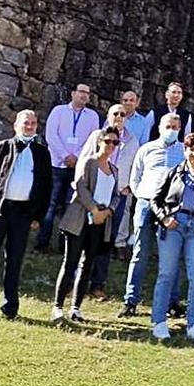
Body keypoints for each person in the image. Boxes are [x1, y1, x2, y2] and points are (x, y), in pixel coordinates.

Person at [0, 110, 52, 318]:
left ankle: (10, 306)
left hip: (23, 213)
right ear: (16, 125)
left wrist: (38, 216)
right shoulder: (0, 148)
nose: (29, 126)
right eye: (25, 123)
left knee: (15, 260)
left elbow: (46, 187)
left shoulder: (42, 153)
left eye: (33, 123)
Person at [149, 133, 194, 343]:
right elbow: (156, 200)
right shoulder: (174, 172)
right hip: (174, 224)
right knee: (167, 273)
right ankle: (159, 321)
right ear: (185, 151)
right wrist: (164, 218)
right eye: (191, 149)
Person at [119, 113, 184, 318]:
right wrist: (142, 197)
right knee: (140, 253)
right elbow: (135, 177)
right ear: (160, 127)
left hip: (170, 208)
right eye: (168, 125)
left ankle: (171, 301)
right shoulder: (146, 149)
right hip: (146, 205)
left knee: (171, 256)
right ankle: (130, 300)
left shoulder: (184, 151)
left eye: (175, 126)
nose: (171, 129)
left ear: (180, 129)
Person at [54, 127, 120, 321]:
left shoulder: (114, 169)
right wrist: (93, 209)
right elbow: (81, 187)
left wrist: (108, 212)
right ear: (99, 141)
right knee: (70, 262)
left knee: (87, 264)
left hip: (100, 222)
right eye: (107, 141)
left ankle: (76, 308)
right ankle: (58, 306)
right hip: (80, 218)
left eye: (115, 143)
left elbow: (116, 195)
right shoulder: (88, 162)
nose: (110, 146)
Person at [78, 104, 140, 302]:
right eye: (116, 114)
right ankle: (77, 283)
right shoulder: (97, 135)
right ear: (108, 115)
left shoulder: (132, 141)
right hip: (92, 194)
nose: (119, 117)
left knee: (106, 241)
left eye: (123, 114)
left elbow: (136, 166)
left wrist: (130, 186)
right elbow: (83, 160)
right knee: (83, 239)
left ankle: (97, 285)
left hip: (117, 197)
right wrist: (79, 186)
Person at [37, 83, 100, 252]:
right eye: (81, 92)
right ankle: (41, 243)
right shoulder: (58, 111)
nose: (84, 95)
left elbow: (92, 140)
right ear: (73, 93)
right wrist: (65, 155)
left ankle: (63, 245)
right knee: (50, 204)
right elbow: (51, 135)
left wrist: (77, 157)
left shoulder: (92, 116)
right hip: (56, 164)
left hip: (78, 168)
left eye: (87, 93)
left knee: (69, 205)